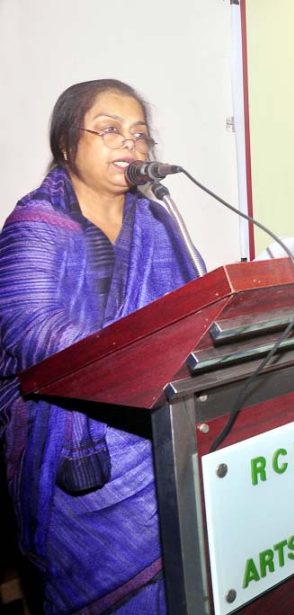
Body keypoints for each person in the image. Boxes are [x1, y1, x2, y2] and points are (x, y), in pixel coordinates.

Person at [0, 80, 200, 613]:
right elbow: (28, 329)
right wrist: (138, 355)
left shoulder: (156, 220)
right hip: (71, 443)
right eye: (110, 130)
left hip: (158, 420)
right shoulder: (35, 225)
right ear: (68, 144)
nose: (130, 146)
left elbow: (189, 309)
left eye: (140, 135)